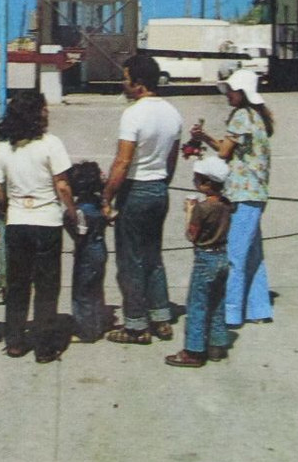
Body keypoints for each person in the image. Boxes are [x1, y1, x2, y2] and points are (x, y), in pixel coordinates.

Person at [101, 53, 183, 345]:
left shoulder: (133, 114)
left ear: (138, 84)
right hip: (160, 189)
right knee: (153, 256)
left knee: (130, 261)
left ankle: (136, 325)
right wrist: (161, 183)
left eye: (126, 79)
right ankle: (161, 317)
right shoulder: (173, 113)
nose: (123, 85)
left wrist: (107, 196)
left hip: (134, 191)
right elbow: (172, 160)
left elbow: (122, 163)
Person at [0, 91, 76, 363]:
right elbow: (62, 185)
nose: (47, 112)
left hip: (17, 221)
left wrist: (6, 206)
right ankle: (44, 346)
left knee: (17, 285)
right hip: (47, 221)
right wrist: (71, 211)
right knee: (47, 287)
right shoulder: (51, 144)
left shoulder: (4, 148)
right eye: (43, 109)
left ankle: (14, 341)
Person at [190, 67, 274, 329]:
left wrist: (202, 158)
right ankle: (259, 307)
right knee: (252, 254)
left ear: (242, 93)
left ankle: (231, 312)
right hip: (256, 192)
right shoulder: (258, 117)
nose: (227, 94)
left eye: (231, 90)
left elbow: (224, 153)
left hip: (242, 193)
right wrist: (205, 138)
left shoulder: (240, 116)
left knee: (235, 256)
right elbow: (229, 147)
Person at [165, 156, 233, 369]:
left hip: (205, 259)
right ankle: (217, 344)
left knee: (197, 304)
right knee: (217, 302)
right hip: (222, 256)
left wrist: (190, 212)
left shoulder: (202, 209)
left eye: (197, 179)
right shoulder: (226, 205)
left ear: (207, 184)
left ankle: (193, 351)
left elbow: (192, 235)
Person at [66, 160, 109, 344]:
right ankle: (97, 324)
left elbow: (79, 233)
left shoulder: (80, 211)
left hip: (87, 252)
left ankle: (86, 330)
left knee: (82, 291)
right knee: (96, 289)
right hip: (100, 248)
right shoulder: (98, 204)